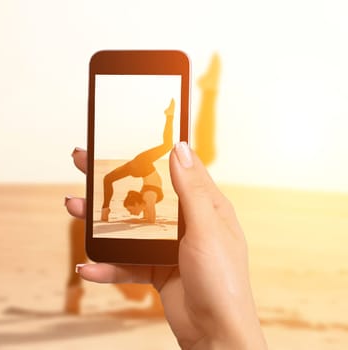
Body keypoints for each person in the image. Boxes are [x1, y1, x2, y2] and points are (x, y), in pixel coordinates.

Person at [63, 53, 223, 316]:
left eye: (133, 210)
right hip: (145, 273)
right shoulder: (145, 182)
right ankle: (209, 93)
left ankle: (208, 93)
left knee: (199, 152)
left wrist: (170, 118)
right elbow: (112, 180)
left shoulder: (145, 176)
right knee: (201, 152)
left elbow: (156, 149)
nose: (134, 214)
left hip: (155, 171)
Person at [65, 143, 268, 349]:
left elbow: (150, 216)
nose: (134, 214)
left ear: (137, 203)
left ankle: (74, 292)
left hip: (144, 169)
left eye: (133, 211)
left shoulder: (148, 193)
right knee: (111, 178)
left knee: (114, 176)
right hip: (142, 168)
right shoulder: (144, 186)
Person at [100, 98, 175, 223]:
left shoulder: (146, 199)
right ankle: (169, 115)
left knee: (108, 179)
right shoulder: (148, 198)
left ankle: (105, 210)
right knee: (167, 145)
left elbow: (148, 217)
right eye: (130, 211)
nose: (131, 213)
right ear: (137, 204)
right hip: (140, 166)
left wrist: (144, 217)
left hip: (139, 166)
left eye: (130, 210)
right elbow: (151, 220)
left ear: (137, 204)